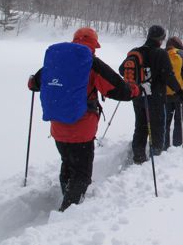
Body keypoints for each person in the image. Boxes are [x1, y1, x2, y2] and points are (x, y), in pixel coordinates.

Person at [27, 27, 139, 212]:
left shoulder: (57, 61)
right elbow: (118, 90)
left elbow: (34, 83)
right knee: (82, 174)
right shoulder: (91, 63)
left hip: (58, 127)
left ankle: (67, 196)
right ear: (94, 45)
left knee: (67, 163)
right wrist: (134, 90)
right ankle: (68, 210)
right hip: (82, 129)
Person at [121, 25, 181, 164]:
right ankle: (156, 159)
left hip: (137, 97)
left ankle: (139, 157)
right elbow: (168, 76)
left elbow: (121, 69)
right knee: (157, 129)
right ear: (161, 39)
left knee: (140, 127)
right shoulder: (160, 53)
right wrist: (180, 92)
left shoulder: (135, 52)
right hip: (155, 98)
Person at [164, 36, 183, 150]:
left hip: (163, 94)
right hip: (180, 94)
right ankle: (178, 145)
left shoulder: (161, 53)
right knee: (180, 120)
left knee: (165, 122)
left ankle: (164, 147)